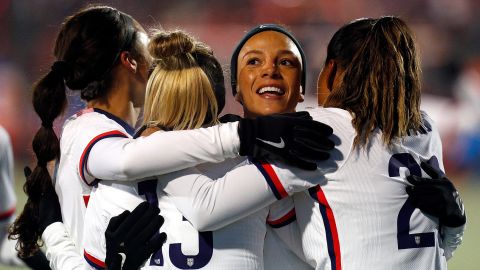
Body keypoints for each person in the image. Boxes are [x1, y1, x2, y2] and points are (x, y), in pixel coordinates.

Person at [10, 4, 333, 269]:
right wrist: (244, 136)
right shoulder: (96, 135)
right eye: (144, 45)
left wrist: (53, 234)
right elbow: (132, 163)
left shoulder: (120, 177)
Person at [260, 17, 466, 269]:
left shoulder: (320, 127)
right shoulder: (425, 129)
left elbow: (212, 207)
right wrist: (456, 226)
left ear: (333, 70)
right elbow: (433, 250)